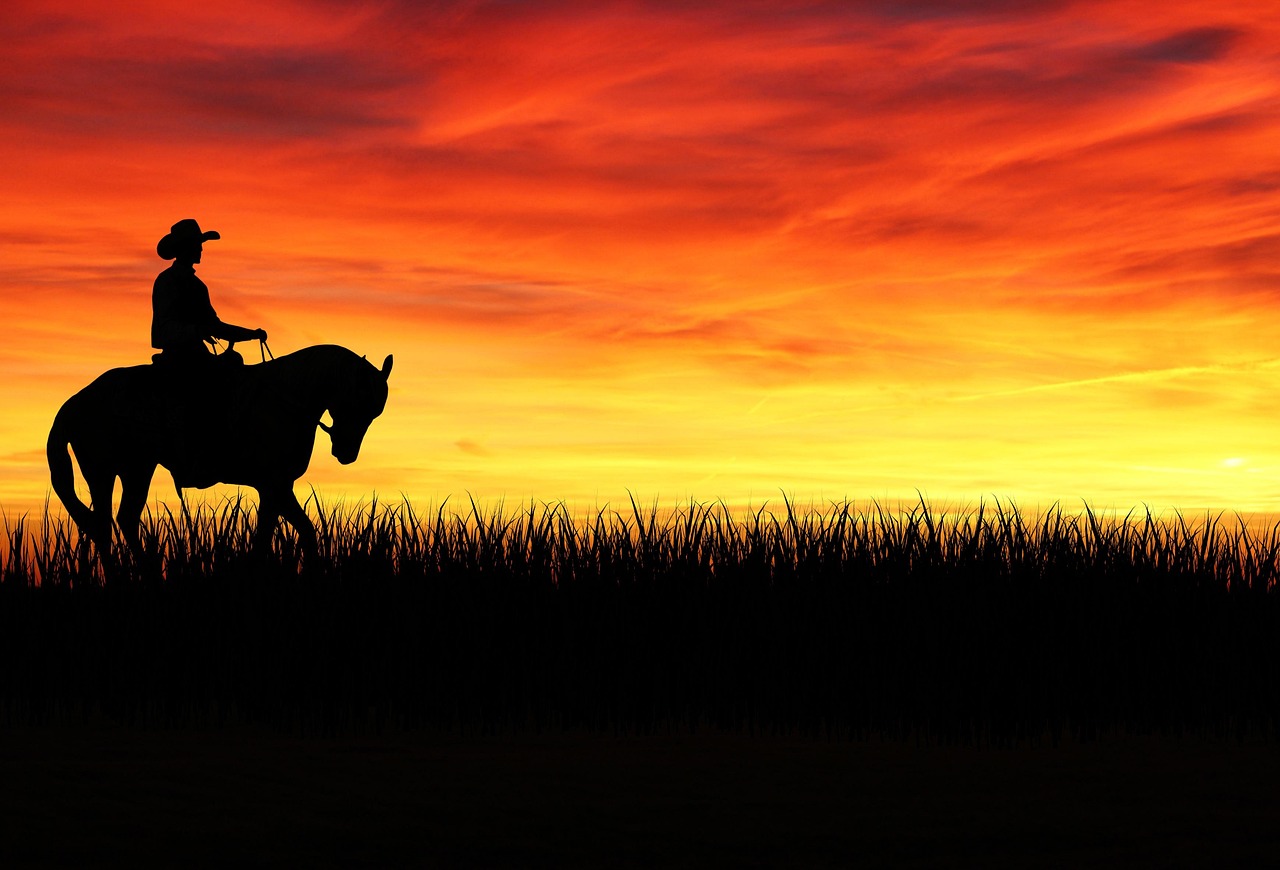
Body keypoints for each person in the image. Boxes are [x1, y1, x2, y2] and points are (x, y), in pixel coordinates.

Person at [152, 218, 267, 366]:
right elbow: (166, 326)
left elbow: (214, 325)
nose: (201, 249)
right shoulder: (167, 281)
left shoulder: (198, 286)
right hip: (177, 358)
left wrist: (250, 334)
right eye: (197, 244)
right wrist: (197, 331)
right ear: (186, 247)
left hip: (199, 353)